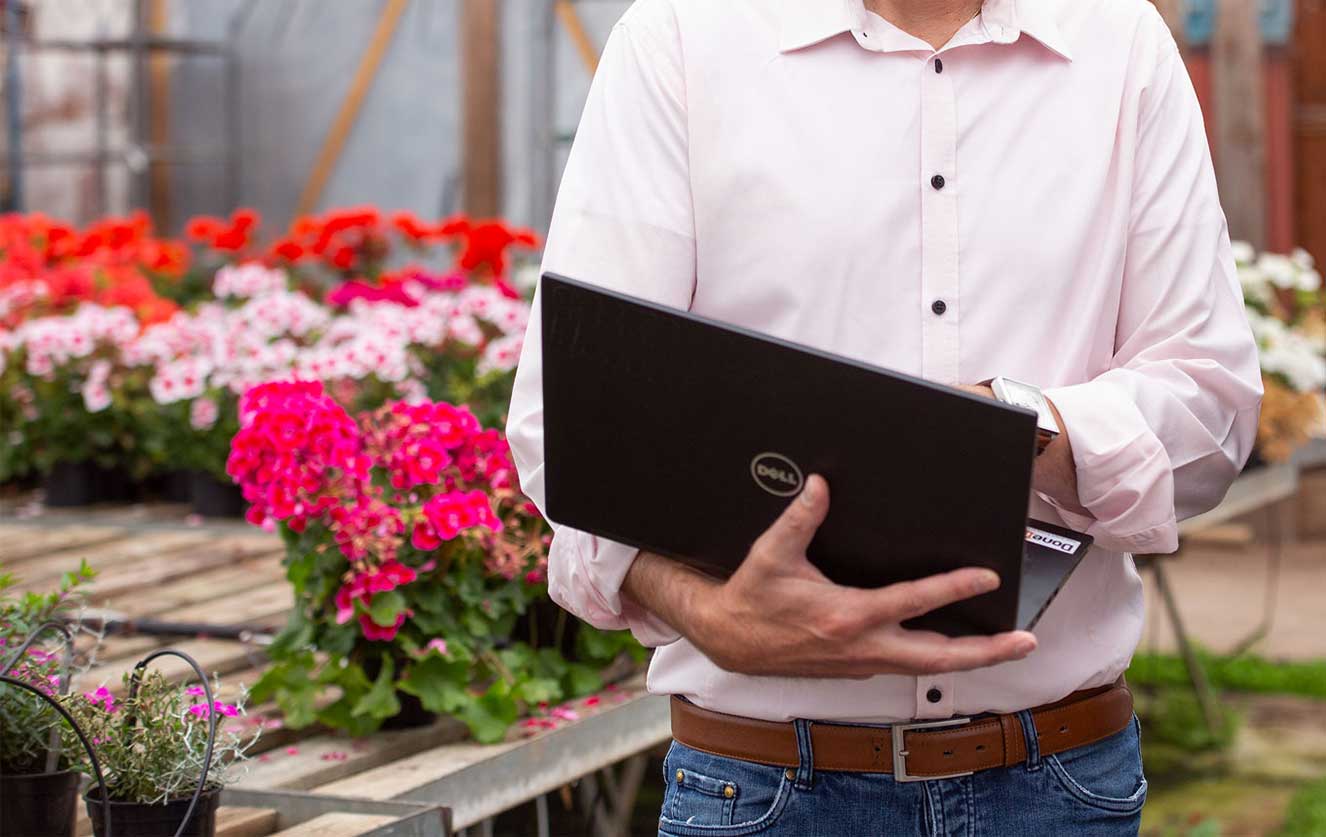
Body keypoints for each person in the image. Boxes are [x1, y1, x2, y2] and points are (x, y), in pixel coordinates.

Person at [506, 0, 1263, 833]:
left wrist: (1006, 430)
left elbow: (1212, 406)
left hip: (1056, 784)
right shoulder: (682, 38)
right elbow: (573, 425)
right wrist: (703, 611)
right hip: (762, 788)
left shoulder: (1121, 44)